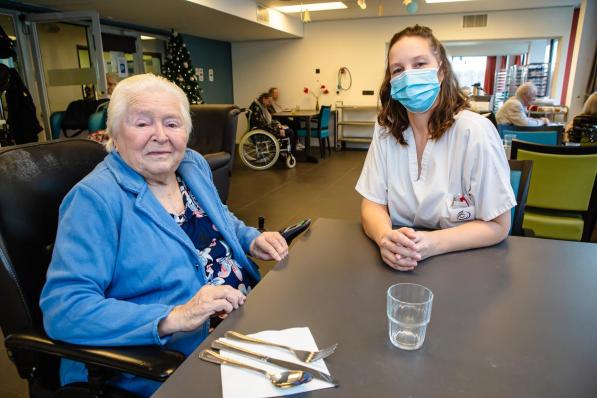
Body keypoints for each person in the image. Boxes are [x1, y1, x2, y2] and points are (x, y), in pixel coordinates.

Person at [40, 74, 288, 396]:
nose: (160, 136)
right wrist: (174, 316)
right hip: (177, 359)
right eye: (142, 124)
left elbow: (219, 217)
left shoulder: (192, 165)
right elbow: (65, 310)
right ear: (114, 133)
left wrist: (251, 238)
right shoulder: (94, 200)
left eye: (172, 124)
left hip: (243, 319)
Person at [356, 25, 515, 272]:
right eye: (398, 69)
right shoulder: (386, 131)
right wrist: (385, 238)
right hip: (399, 260)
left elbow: (498, 225)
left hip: (462, 266)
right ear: (391, 83)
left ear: (441, 72)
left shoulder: (475, 132)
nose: (408, 76)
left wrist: (431, 243)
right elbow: (372, 204)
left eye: (419, 64)